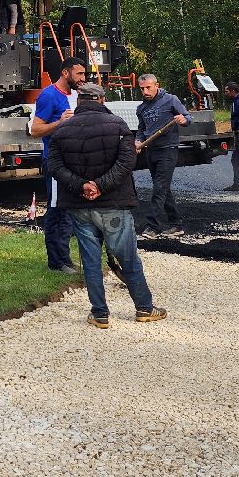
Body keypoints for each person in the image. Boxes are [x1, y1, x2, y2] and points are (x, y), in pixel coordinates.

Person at [47, 81, 165, 329]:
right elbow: (126, 162)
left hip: (80, 206)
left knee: (90, 260)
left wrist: (83, 186)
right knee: (128, 258)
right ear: (101, 100)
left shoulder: (61, 130)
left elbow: (55, 167)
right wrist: (101, 185)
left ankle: (100, 314)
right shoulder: (118, 126)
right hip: (113, 204)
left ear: (78, 102)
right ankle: (144, 308)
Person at [30, 56, 85, 273]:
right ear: (65, 73)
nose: (83, 78)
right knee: (56, 209)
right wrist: (60, 123)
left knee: (69, 210)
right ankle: (56, 262)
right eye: (79, 74)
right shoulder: (49, 95)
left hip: (72, 162)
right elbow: (35, 130)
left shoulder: (77, 95)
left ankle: (65, 257)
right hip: (55, 162)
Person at [134, 74, 189, 238]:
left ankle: (153, 226)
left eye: (148, 87)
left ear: (156, 85)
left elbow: (188, 117)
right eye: (142, 88)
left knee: (159, 188)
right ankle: (176, 224)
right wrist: (138, 141)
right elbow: (141, 130)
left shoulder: (171, 100)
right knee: (163, 188)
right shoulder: (141, 108)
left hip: (168, 150)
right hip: (151, 151)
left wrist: (182, 119)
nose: (145, 91)